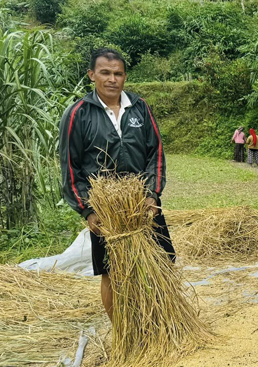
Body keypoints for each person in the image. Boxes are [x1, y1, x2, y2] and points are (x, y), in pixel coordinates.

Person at [59, 47, 173, 321]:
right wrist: (89, 210)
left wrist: (152, 195)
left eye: (118, 73)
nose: (112, 79)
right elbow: (70, 168)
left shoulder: (140, 107)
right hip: (106, 210)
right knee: (112, 273)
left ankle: (161, 321)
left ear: (124, 77)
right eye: (105, 73)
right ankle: (123, 331)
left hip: (141, 204)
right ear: (92, 75)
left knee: (163, 262)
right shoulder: (78, 113)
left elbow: (155, 153)